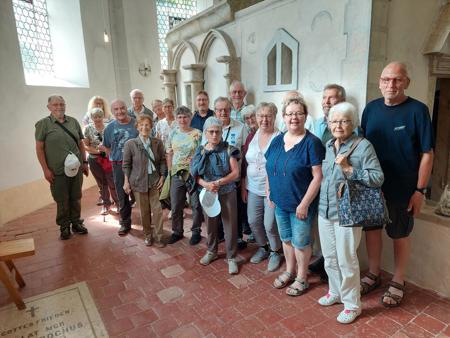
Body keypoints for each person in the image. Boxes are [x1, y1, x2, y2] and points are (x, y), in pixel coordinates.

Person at [361, 62, 434, 307]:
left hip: (403, 187)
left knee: (399, 234)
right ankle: (374, 273)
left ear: (406, 83)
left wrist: (419, 191)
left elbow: (427, 153)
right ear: (380, 82)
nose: (391, 85)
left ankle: (398, 280)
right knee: (372, 230)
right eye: (386, 80)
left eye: (397, 80)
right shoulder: (371, 109)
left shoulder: (418, 110)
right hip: (372, 186)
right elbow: (362, 146)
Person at [318, 102, 384, 324]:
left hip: (348, 212)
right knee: (329, 257)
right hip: (325, 210)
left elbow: (378, 178)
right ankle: (335, 292)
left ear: (353, 123)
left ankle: (352, 304)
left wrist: (349, 169)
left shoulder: (363, 146)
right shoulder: (328, 145)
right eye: (334, 121)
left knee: (347, 259)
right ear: (329, 123)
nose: (338, 125)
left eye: (344, 120)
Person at [266, 97, 324, 296]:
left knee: (301, 242)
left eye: (298, 113)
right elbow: (269, 167)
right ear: (283, 117)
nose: (294, 117)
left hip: (301, 204)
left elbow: (318, 177)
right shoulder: (277, 140)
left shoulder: (312, 143)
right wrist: (269, 190)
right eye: (290, 113)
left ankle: (302, 277)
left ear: (305, 116)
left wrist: (305, 204)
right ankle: (289, 271)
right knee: (287, 239)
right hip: (281, 201)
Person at [35, 95, 89, 240]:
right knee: (62, 199)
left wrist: (84, 163)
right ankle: (64, 226)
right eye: (55, 105)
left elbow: (80, 144)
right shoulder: (43, 124)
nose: (59, 107)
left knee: (76, 196)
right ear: (49, 107)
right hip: (57, 171)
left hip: (76, 168)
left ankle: (76, 222)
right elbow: (39, 148)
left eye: (62, 104)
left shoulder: (73, 122)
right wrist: (45, 169)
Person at [191, 117, 240, 274]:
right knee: (210, 223)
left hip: (226, 192)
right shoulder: (200, 151)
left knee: (230, 225)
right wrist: (206, 185)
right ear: (205, 133)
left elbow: (235, 173)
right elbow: (195, 175)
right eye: (211, 132)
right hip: (207, 192)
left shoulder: (229, 149)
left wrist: (218, 183)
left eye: (217, 132)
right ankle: (211, 251)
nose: (214, 135)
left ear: (221, 132)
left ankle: (231, 257)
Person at [241, 102, 282, 271]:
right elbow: (244, 161)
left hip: (271, 189)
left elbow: (280, 165)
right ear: (256, 118)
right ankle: (263, 247)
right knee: (253, 221)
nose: (264, 119)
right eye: (261, 116)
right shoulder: (252, 135)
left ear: (274, 117)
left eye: (268, 115)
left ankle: (275, 251)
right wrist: (243, 184)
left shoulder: (280, 137)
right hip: (252, 187)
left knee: (269, 224)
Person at [205, 97, 249, 249]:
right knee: (213, 213)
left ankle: (235, 240)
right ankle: (216, 241)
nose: (223, 112)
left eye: (226, 109)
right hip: (211, 182)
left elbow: (244, 153)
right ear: (215, 111)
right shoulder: (208, 128)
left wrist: (242, 178)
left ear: (231, 110)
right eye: (219, 109)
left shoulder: (241, 127)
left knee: (232, 213)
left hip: (232, 180)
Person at [122, 115, 166, 248]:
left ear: (151, 126)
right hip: (138, 181)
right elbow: (126, 165)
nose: (144, 127)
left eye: (147, 125)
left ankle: (159, 236)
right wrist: (126, 182)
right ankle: (147, 235)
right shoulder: (131, 144)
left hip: (154, 180)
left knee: (157, 210)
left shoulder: (157, 143)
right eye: (141, 125)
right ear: (137, 127)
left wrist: (163, 176)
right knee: (144, 211)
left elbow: (163, 161)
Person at [166, 106, 203, 245]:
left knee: (195, 205)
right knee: (176, 205)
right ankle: (177, 231)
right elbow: (169, 153)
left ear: (190, 117)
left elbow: (202, 154)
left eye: (185, 116)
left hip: (193, 173)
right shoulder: (173, 134)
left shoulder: (198, 134)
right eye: (179, 117)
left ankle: (196, 231)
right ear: (176, 118)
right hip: (176, 173)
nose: (182, 119)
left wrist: (198, 172)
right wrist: (170, 171)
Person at [102, 99, 139, 236]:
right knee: (121, 194)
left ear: (126, 108)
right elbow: (106, 146)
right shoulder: (110, 128)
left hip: (136, 164)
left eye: (122, 108)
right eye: (116, 109)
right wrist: (116, 157)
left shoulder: (136, 123)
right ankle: (125, 222)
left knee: (139, 192)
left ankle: (146, 220)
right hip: (118, 165)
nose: (120, 111)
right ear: (112, 112)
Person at [83, 107, 118, 215]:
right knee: (102, 183)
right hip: (94, 160)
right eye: (95, 117)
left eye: (99, 116)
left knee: (112, 181)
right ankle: (106, 205)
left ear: (103, 117)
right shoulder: (88, 129)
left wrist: (107, 151)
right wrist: (98, 152)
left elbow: (115, 143)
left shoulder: (109, 127)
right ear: (91, 118)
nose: (97, 119)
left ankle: (118, 204)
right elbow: (85, 145)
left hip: (108, 159)